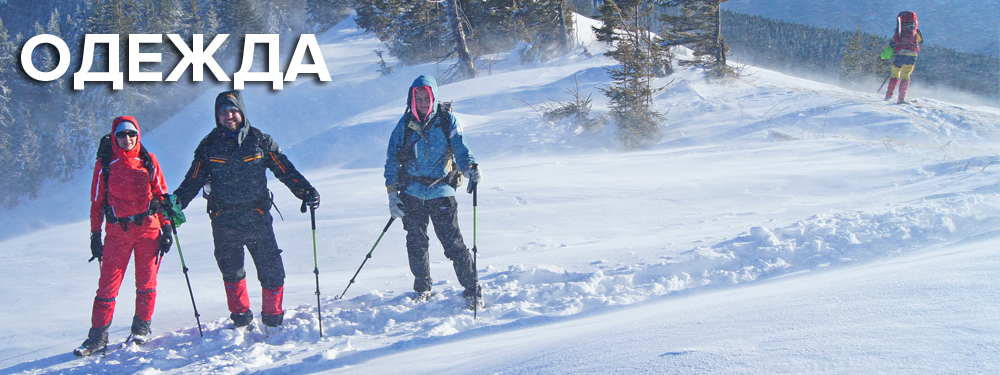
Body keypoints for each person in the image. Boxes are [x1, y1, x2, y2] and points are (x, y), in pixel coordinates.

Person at [167, 91, 319, 330]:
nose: (228, 116)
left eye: (232, 110)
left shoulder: (259, 140)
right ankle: (241, 319)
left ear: (242, 112)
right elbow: (192, 180)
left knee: (272, 269)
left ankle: (273, 319)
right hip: (223, 218)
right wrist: (175, 204)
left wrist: (306, 191)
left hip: (256, 216)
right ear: (217, 116)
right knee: (231, 271)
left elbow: (284, 169)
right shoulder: (208, 146)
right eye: (223, 112)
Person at [75, 116, 173, 357]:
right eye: (121, 134)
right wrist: (95, 236)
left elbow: (162, 195)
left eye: (131, 134)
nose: (127, 139)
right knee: (107, 288)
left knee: (146, 283)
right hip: (118, 233)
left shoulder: (149, 160)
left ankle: (141, 329)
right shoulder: (105, 164)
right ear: (114, 136)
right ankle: (97, 338)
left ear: (138, 135)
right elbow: (96, 203)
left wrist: (167, 227)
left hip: (149, 230)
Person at [384, 75, 483, 308]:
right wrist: (392, 194)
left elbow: (461, 148)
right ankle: (423, 287)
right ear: (412, 98)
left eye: (426, 98)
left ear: (434, 97)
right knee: (416, 243)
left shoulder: (447, 120)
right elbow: (391, 160)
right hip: (412, 193)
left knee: (453, 244)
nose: (422, 102)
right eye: (417, 98)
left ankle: (472, 289)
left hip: (441, 191)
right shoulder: (404, 125)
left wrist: (470, 168)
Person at [884, 10, 923, 103]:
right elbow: (920, 41)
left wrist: (885, 55)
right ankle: (901, 98)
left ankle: (889, 95)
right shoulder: (916, 31)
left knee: (894, 75)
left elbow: (892, 44)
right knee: (905, 76)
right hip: (911, 56)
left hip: (899, 55)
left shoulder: (899, 32)